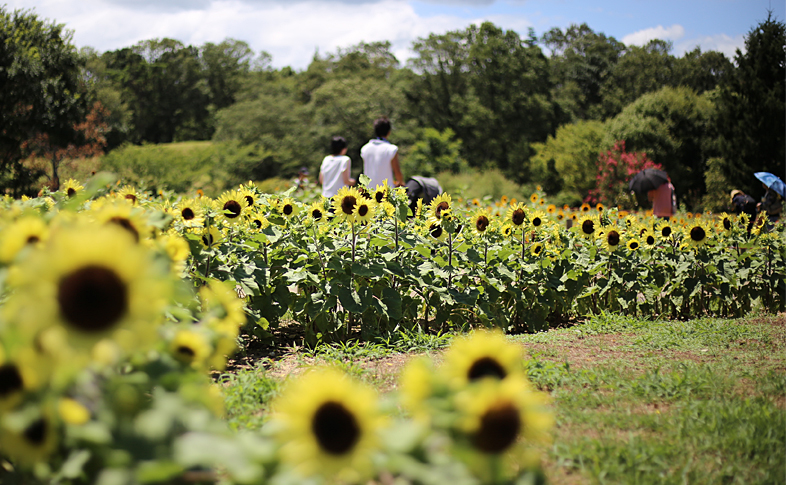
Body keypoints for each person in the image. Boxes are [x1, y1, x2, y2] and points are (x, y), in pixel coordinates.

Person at [360, 117, 404, 189]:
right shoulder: (391, 149)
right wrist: (400, 182)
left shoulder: (365, 148)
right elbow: (397, 173)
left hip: (369, 191)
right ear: (389, 132)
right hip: (386, 192)